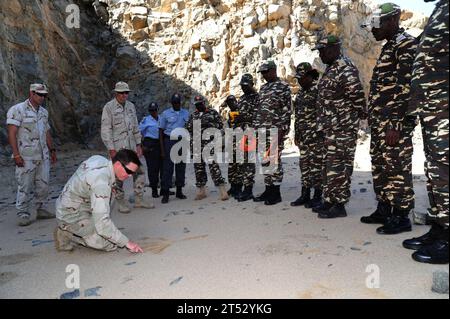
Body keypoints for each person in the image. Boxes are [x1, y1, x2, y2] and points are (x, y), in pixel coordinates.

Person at [359, 3, 418, 235]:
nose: (372, 29)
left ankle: (401, 216)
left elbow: (406, 87)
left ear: (393, 20)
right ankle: (384, 208)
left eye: (376, 24)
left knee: (396, 167)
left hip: (394, 123)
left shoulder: (405, 44)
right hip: (381, 122)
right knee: (381, 165)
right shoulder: (390, 46)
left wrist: (397, 123)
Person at [402, 0, 449, 264]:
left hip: (444, 105)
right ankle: (441, 227)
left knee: (445, 167)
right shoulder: (441, 8)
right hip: (432, 108)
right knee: (435, 171)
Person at [313, 35, 367, 218]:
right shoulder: (331, 69)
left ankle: (339, 205)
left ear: (333, 49)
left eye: (322, 51)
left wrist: (356, 116)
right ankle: (329, 200)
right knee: (329, 166)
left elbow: (357, 95)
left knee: (340, 166)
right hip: (330, 128)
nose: (320, 54)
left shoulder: (344, 67)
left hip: (342, 128)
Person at [54, 149, 143, 253]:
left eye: (133, 173)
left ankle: (79, 227)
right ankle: (68, 233)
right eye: (129, 171)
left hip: (75, 205)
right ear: (118, 164)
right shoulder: (101, 183)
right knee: (109, 244)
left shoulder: (100, 160)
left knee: (107, 230)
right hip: (70, 214)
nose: (130, 176)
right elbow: (102, 224)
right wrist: (126, 242)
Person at [7, 83, 57, 226]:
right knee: (25, 185)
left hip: (43, 156)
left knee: (43, 184)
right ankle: (22, 212)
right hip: (26, 156)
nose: (42, 97)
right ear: (31, 93)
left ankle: (41, 209)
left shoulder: (43, 112)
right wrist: (16, 155)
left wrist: (52, 149)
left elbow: (46, 131)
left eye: (44, 95)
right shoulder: (18, 110)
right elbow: (12, 133)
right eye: (39, 94)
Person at [101, 81, 154, 213]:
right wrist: (111, 149)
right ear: (116, 93)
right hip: (118, 148)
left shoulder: (130, 106)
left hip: (131, 147)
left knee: (140, 172)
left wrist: (138, 144)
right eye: (122, 93)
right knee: (119, 176)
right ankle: (120, 202)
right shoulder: (109, 108)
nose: (125, 95)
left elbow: (135, 127)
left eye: (126, 93)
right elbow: (106, 130)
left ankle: (138, 199)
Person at [253, 61, 292, 206]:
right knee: (265, 161)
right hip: (262, 131)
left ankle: (276, 193)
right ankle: (268, 189)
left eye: (265, 72)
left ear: (273, 70)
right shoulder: (263, 88)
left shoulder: (283, 87)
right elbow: (259, 110)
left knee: (274, 161)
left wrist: (282, 131)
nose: (263, 75)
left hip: (276, 131)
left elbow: (287, 111)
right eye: (262, 73)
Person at [290, 63, 323, 208]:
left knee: (316, 166)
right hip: (303, 137)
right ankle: (305, 194)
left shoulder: (318, 91)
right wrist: (297, 134)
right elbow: (298, 116)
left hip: (316, 137)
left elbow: (323, 114)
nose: (300, 81)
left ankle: (317, 196)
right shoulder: (301, 93)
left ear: (310, 76)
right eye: (298, 79)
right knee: (304, 166)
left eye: (302, 78)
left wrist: (321, 134)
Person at [186, 95, 229, 201]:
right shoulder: (193, 115)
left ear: (204, 103)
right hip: (196, 146)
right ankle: (201, 191)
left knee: (214, 167)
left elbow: (221, 128)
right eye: (197, 104)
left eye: (200, 103)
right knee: (198, 169)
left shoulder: (212, 113)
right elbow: (188, 128)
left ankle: (222, 191)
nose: (198, 106)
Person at [233, 74, 260, 202]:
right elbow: (239, 114)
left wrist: (244, 118)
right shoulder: (242, 98)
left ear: (251, 84)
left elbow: (259, 116)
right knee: (243, 162)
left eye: (246, 85)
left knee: (249, 161)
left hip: (251, 132)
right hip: (241, 133)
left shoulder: (257, 98)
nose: (243, 88)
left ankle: (248, 190)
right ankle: (245, 187)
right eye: (242, 86)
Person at [159, 93, 190, 204]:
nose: (176, 104)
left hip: (182, 141)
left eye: (178, 102)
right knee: (168, 168)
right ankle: (166, 193)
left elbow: (189, 127)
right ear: (171, 103)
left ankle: (179, 191)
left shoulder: (186, 113)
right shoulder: (165, 114)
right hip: (169, 141)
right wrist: (162, 150)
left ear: (180, 102)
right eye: (174, 102)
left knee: (181, 166)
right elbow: (161, 131)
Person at [139, 102, 162, 198]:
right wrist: (141, 145)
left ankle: (164, 189)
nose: (153, 112)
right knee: (153, 169)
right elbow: (137, 132)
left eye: (155, 110)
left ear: (157, 109)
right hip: (150, 144)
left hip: (160, 144)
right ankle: (154, 190)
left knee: (163, 168)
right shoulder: (146, 120)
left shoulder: (162, 118)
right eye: (151, 110)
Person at [224, 95, 242, 198]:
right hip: (231, 142)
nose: (230, 104)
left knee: (239, 166)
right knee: (231, 167)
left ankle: (238, 188)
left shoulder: (240, 111)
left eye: (231, 102)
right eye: (228, 103)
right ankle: (233, 186)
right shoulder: (230, 113)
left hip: (239, 142)